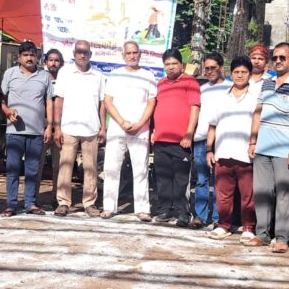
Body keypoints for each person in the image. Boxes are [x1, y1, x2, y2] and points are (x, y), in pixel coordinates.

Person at [248, 43, 289, 251]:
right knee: (261, 191)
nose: (278, 61)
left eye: (282, 58)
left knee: (285, 193)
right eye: (275, 57)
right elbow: (258, 112)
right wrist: (253, 141)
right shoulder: (266, 83)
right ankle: (262, 233)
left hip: (285, 149)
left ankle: (282, 237)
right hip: (263, 147)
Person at [206, 56, 259, 241]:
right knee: (223, 194)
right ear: (231, 73)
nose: (240, 75)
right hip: (223, 152)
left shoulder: (256, 99)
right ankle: (224, 225)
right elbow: (212, 125)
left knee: (248, 195)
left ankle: (248, 227)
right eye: (236, 72)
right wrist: (209, 150)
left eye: (244, 72)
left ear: (250, 75)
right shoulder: (221, 98)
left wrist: (254, 144)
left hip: (246, 155)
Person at [101, 41, 156, 220]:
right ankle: (109, 207)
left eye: (135, 52)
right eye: (128, 53)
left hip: (140, 129)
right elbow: (108, 101)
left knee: (140, 169)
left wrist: (140, 123)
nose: (132, 56)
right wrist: (122, 121)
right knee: (111, 168)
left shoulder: (148, 75)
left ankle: (142, 208)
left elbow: (151, 102)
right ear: (123, 55)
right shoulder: (115, 75)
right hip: (118, 127)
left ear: (140, 54)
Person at [0, 40, 53, 216]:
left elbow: (49, 102)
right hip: (14, 132)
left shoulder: (44, 76)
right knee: (12, 169)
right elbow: (1, 97)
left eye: (32, 55)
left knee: (32, 170)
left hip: (36, 131)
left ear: (37, 58)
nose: (29, 58)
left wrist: (49, 126)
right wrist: (7, 111)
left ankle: (30, 203)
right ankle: (11, 204)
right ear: (19, 58)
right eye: (26, 55)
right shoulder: (10, 73)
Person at [53, 40, 106, 217]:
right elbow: (58, 101)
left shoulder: (98, 75)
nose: (82, 55)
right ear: (74, 53)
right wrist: (57, 127)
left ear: (90, 54)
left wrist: (103, 127)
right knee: (65, 167)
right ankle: (63, 202)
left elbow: (102, 103)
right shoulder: (65, 72)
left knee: (90, 169)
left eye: (86, 52)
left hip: (91, 129)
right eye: (79, 52)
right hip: (68, 127)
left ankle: (90, 203)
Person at [151, 48, 200, 225]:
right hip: (161, 139)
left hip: (181, 141)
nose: (171, 67)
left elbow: (195, 108)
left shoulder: (190, 82)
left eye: (174, 63)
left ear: (181, 65)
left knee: (180, 179)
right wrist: (155, 131)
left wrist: (188, 133)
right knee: (163, 178)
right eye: (167, 64)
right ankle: (164, 210)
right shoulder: (160, 84)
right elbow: (158, 109)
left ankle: (182, 213)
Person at [192, 52, 230, 228]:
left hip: (222, 139)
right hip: (201, 138)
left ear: (221, 67)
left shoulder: (230, 88)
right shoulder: (202, 89)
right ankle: (199, 216)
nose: (209, 71)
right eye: (206, 68)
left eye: (213, 68)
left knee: (220, 180)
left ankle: (217, 218)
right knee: (202, 179)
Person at [44, 48, 64, 194]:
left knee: (59, 166)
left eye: (56, 60)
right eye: (51, 60)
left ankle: (56, 197)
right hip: (42, 127)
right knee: (37, 165)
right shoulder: (40, 78)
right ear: (45, 62)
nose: (53, 63)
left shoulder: (65, 80)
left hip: (60, 128)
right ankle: (34, 199)